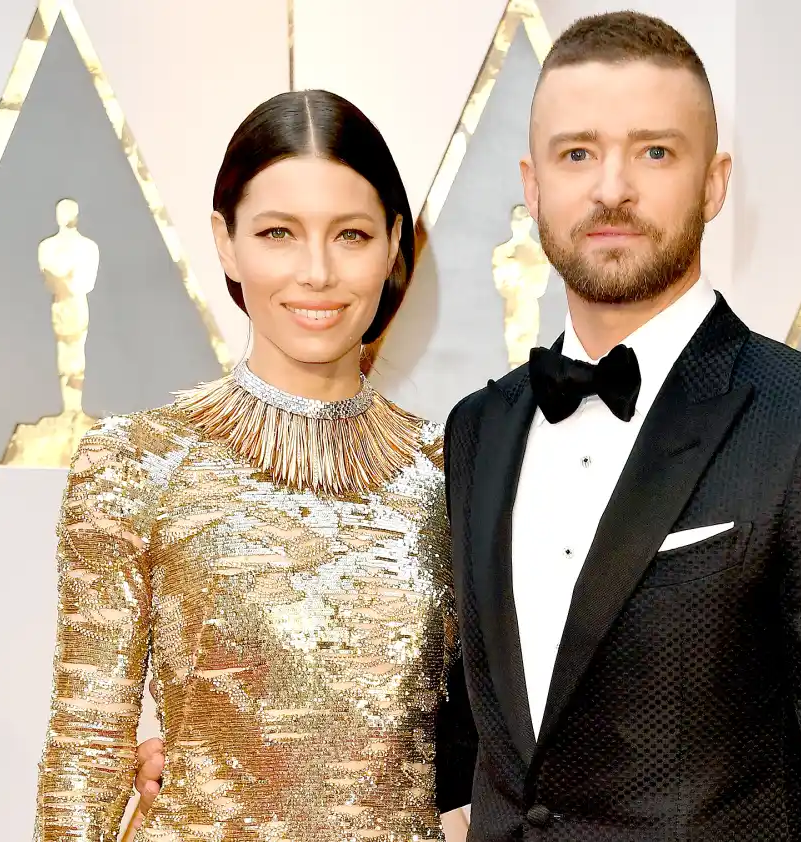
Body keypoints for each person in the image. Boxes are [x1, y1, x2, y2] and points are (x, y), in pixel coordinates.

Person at [135, 11, 801, 841]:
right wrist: (234, 753)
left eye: (655, 151)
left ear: (714, 182)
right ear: (533, 186)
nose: (612, 188)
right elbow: (465, 729)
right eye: (578, 153)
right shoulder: (481, 429)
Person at [32, 89, 476, 842]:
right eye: (277, 233)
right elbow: (86, 749)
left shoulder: (459, 471)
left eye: (351, 235)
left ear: (394, 242)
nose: (316, 273)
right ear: (225, 240)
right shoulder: (137, 464)